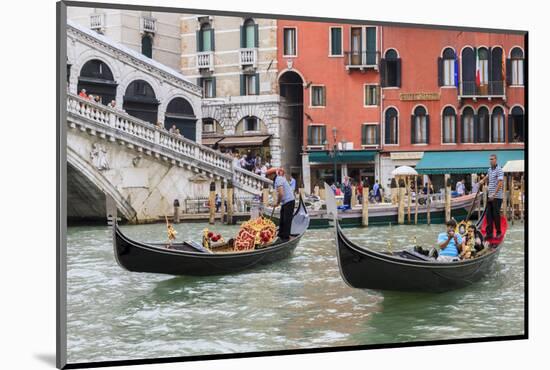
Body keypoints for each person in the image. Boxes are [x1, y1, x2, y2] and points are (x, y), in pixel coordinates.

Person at [478, 154, 504, 239]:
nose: (490, 161)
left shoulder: (499, 169)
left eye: (492, 159)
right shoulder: (489, 169)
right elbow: (488, 176)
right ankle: (489, 233)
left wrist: (494, 194)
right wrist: (483, 180)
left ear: (496, 160)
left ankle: (499, 232)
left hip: (497, 197)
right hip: (490, 196)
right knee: (489, 215)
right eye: (490, 159)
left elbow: (500, 183)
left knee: (496, 215)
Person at [267, 168, 295, 241]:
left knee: (286, 220)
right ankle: (281, 235)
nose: (268, 177)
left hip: (289, 201)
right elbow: (280, 193)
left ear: (272, 175)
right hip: (285, 202)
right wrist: (278, 202)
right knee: (282, 219)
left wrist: (278, 203)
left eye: (268, 176)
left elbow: (281, 193)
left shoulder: (278, 179)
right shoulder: (277, 179)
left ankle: (285, 237)